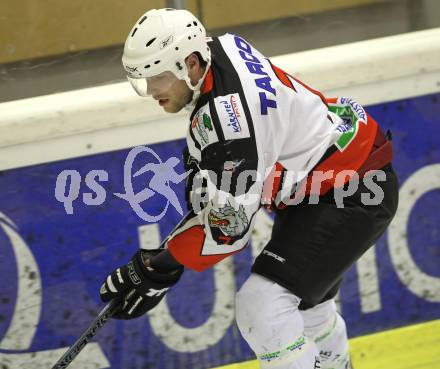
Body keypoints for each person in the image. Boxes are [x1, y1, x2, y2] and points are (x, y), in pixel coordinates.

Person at [99, 8, 399, 369]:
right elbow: (220, 185)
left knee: (263, 308)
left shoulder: (232, 125)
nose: (150, 91)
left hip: (352, 187)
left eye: (157, 78)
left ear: (191, 64)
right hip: (330, 174)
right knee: (306, 306)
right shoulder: (220, 49)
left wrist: (159, 267)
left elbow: (228, 232)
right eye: (142, 80)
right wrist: (156, 263)